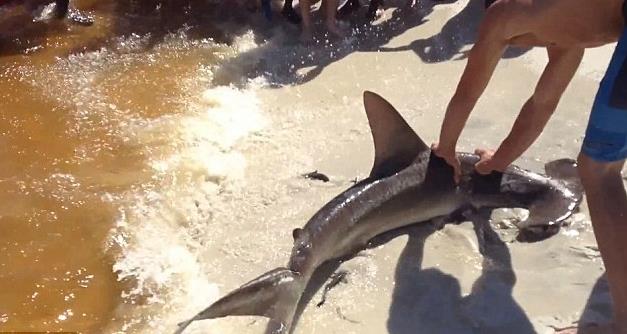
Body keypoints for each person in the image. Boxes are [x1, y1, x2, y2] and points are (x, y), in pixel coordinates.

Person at [432, 0, 627, 333]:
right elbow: (541, 106)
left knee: (598, 169)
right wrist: (498, 162)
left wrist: (446, 148)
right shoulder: (568, 35)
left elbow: (467, 93)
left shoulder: (501, 14)